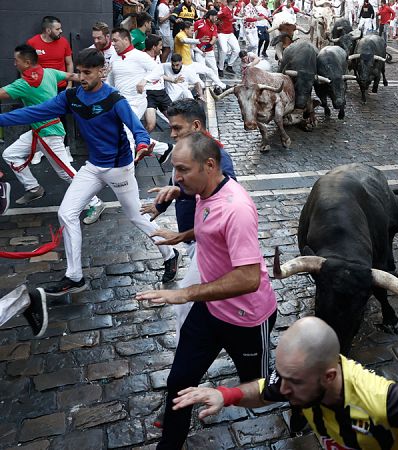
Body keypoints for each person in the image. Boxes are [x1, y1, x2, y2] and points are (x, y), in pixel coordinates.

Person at [135, 132, 276, 449]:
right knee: (179, 382)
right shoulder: (203, 191)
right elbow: (209, 226)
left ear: (209, 165)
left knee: (261, 389)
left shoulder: (237, 208)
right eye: (176, 169)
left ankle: (303, 393)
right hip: (209, 310)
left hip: (247, 320)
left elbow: (249, 278)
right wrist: (181, 235)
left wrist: (185, 294)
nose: (177, 177)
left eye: (183, 170)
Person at [0, 48, 180, 295]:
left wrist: (141, 144)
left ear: (101, 71)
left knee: (136, 216)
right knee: (66, 213)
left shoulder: (114, 99)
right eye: (79, 72)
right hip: (93, 167)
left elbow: (137, 129)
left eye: (87, 72)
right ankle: (74, 277)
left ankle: (170, 253)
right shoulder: (71, 96)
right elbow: (33, 112)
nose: (82, 78)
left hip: (119, 168)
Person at [171, 316, 398, 449]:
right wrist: (225, 394)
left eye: (294, 383)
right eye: (282, 377)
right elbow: (263, 389)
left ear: (329, 376)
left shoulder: (380, 400)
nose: (284, 392)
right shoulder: (296, 378)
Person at [140, 99, 236, 340]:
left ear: (195, 125)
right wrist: (159, 206)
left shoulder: (220, 158)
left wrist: (183, 236)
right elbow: (178, 184)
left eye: (176, 128)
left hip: (209, 244)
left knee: (184, 304)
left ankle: (189, 354)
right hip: (194, 242)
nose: (171, 134)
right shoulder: (186, 149)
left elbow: (225, 203)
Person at [0, 44, 104, 223]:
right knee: (10, 154)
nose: (14, 64)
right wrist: (95, 79)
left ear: (26, 62)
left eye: (16, 61)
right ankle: (33, 188)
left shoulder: (23, 84)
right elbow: (73, 76)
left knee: (66, 173)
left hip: (49, 133)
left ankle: (95, 202)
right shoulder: (49, 72)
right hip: (39, 132)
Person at [107, 28, 173, 161]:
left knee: (126, 133)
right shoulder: (114, 57)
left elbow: (158, 70)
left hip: (136, 102)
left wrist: (145, 80)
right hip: (120, 102)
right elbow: (111, 79)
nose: (112, 44)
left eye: (115, 40)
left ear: (126, 40)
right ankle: (164, 148)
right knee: (125, 132)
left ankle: (129, 166)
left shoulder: (140, 56)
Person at [27, 16, 73, 90]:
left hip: (60, 87)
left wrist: (69, 84)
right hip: (40, 87)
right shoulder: (32, 43)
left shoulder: (64, 42)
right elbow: (27, 66)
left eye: (60, 28)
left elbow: (69, 63)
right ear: (48, 30)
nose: (61, 31)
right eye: (57, 29)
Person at [188, 11, 228, 93]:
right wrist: (196, 47)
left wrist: (206, 46)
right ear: (210, 16)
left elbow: (213, 39)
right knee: (201, 69)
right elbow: (191, 34)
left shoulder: (214, 26)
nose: (216, 18)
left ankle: (217, 86)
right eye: (215, 16)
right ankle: (199, 88)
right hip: (198, 51)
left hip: (209, 51)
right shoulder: (198, 23)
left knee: (214, 69)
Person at [143, 34, 174, 133]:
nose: (162, 48)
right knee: (151, 125)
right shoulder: (141, 58)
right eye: (160, 45)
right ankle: (139, 144)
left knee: (175, 119)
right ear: (154, 47)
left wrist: (172, 80)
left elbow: (159, 74)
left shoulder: (157, 56)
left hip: (161, 93)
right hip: (149, 94)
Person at [216, 0, 240, 75]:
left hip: (230, 33)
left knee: (237, 50)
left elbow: (231, 17)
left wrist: (241, 18)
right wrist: (217, 22)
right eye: (235, 1)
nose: (236, 2)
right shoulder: (224, 10)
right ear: (231, 2)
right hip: (222, 33)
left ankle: (229, 66)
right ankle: (220, 68)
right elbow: (215, 16)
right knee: (224, 50)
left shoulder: (231, 9)